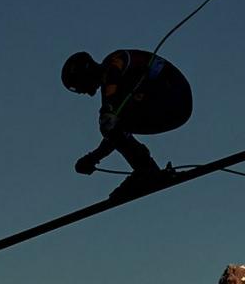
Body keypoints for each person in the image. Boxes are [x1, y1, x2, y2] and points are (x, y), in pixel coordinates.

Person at [62, 47, 192, 195]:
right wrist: (93, 157)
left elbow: (116, 70)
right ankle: (146, 169)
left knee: (111, 123)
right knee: (113, 124)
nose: (83, 92)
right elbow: (116, 133)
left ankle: (146, 170)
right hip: (173, 104)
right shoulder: (111, 93)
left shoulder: (114, 62)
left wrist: (109, 109)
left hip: (173, 95)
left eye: (79, 87)